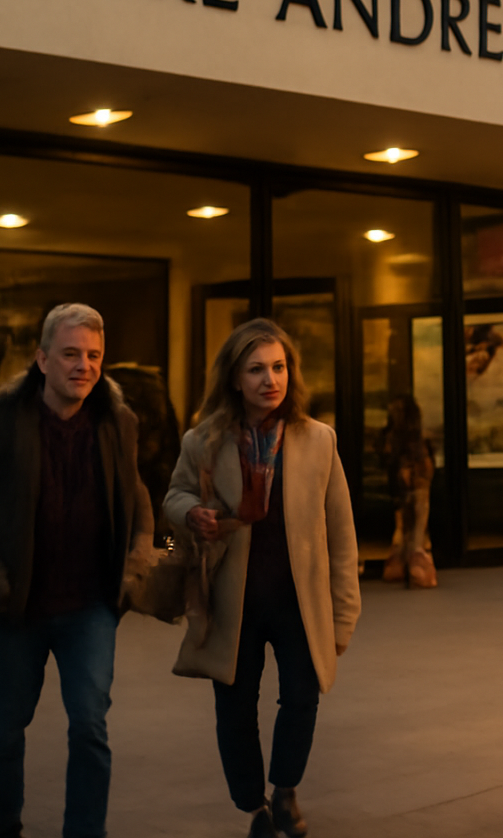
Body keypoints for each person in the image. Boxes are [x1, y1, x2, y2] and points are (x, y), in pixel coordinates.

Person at [0, 303, 154, 838]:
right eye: (69, 354)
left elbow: (140, 502)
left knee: (90, 725)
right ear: (41, 359)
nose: (82, 366)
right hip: (17, 606)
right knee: (8, 726)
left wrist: (139, 565)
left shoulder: (118, 423)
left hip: (91, 607)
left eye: (93, 356)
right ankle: (5, 822)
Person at [164, 318, 361, 838]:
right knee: (235, 708)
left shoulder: (319, 440)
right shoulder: (203, 440)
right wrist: (190, 515)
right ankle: (254, 806)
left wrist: (344, 615)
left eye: (278, 368)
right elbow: (172, 499)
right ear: (234, 378)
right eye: (256, 369)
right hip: (235, 601)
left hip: (299, 601)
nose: (269, 380)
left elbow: (341, 535)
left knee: (301, 698)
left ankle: (286, 789)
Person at [378, 394, 437, 588]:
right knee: (418, 525)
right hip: (417, 488)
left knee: (405, 524)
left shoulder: (393, 439)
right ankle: (417, 564)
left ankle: (405, 562)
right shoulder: (418, 440)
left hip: (403, 489)